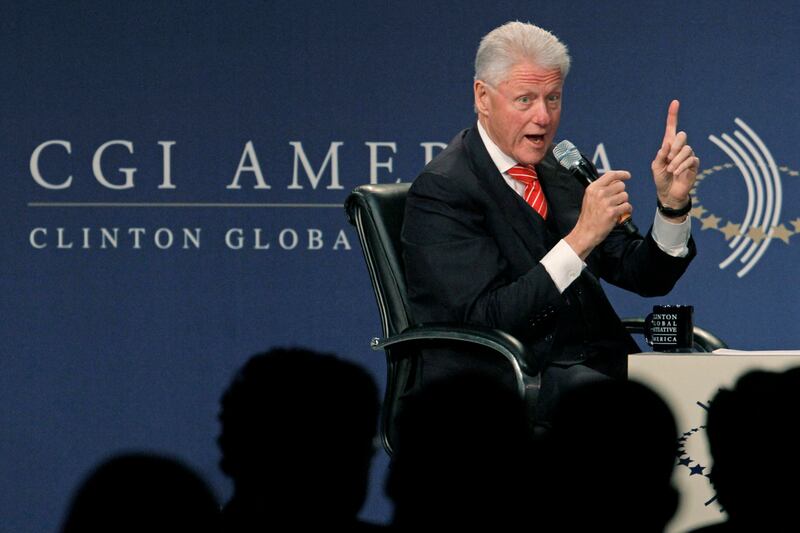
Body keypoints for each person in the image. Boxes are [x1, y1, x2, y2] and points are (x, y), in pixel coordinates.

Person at [401, 21, 698, 421]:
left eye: (553, 98)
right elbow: (487, 320)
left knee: (712, 394)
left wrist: (672, 207)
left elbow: (645, 277)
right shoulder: (444, 189)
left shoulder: (564, 169)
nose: (543, 117)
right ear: (482, 97)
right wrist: (579, 240)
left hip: (600, 367)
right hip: (509, 382)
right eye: (525, 100)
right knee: (628, 415)